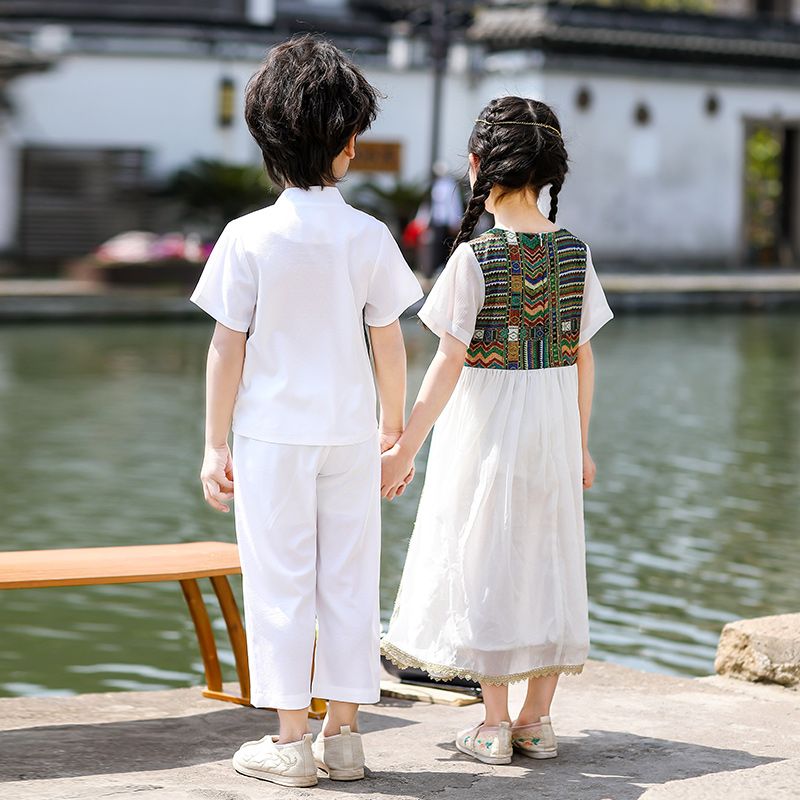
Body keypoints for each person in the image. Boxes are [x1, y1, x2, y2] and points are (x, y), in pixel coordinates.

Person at [190, 35, 422, 788]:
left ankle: (290, 743)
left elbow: (228, 348)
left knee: (281, 580)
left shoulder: (246, 237)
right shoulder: (367, 234)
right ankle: (345, 735)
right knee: (350, 579)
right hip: (351, 433)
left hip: (270, 435)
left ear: (267, 139)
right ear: (349, 142)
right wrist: (396, 432)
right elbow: (390, 342)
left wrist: (212, 445)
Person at [380, 96, 613, 765]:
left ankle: (493, 722)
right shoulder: (574, 252)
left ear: (479, 165)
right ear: (550, 170)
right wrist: (581, 440)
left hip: (487, 437)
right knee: (548, 558)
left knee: (487, 562)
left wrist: (403, 447)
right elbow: (581, 356)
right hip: (553, 430)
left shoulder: (475, 259)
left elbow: (447, 364)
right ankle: (539, 722)